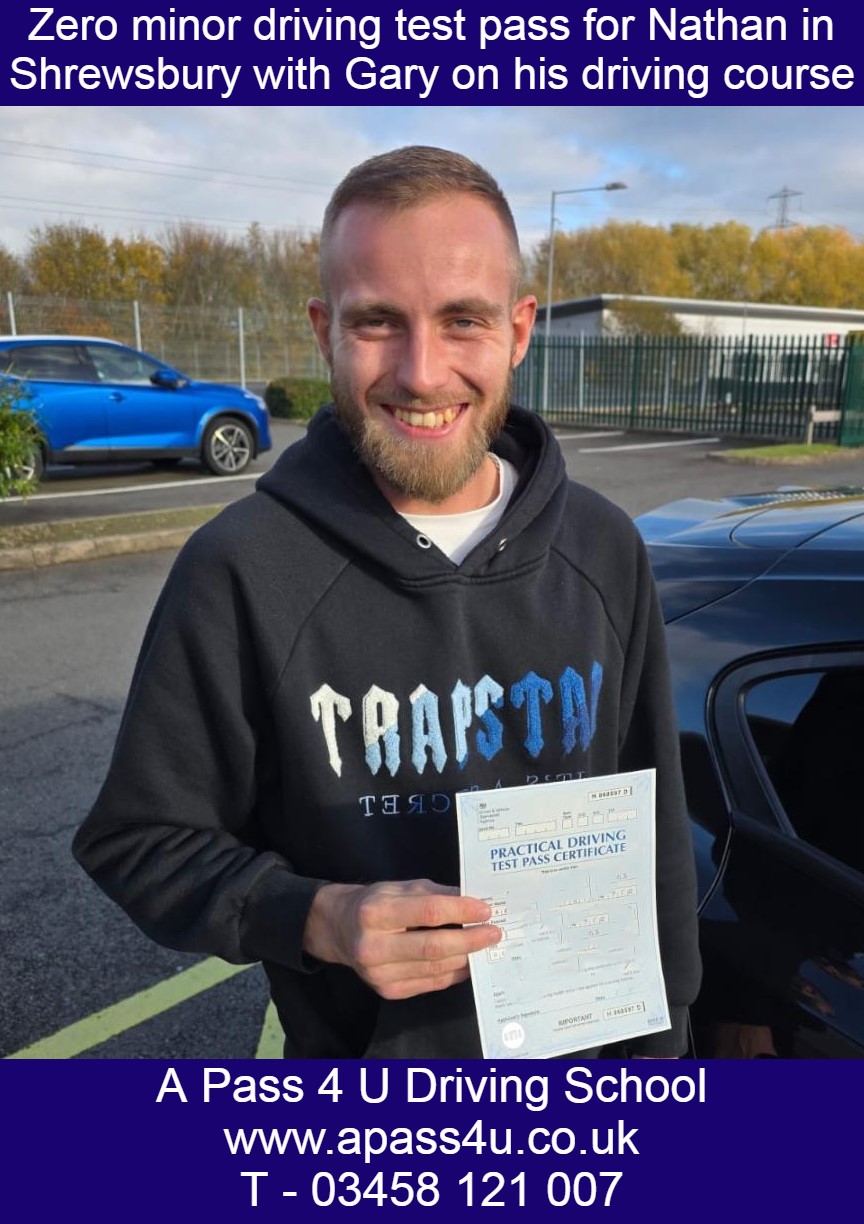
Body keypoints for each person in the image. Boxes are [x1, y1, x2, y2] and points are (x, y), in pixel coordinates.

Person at [73, 146, 700, 1059]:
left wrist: (668, 1044)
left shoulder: (604, 550)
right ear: (325, 328)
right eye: (378, 322)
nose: (422, 371)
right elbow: (137, 841)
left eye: (463, 321)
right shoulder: (242, 570)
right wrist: (318, 918)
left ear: (519, 330)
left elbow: (657, 837)